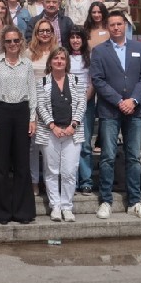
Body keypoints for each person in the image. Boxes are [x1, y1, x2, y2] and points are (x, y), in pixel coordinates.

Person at [90, 10, 141, 220]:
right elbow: (98, 80)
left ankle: (134, 201)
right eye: (112, 24)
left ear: (125, 25)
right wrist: (119, 101)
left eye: (119, 24)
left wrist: (133, 100)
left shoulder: (138, 48)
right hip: (110, 110)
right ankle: (106, 201)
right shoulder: (99, 51)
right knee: (107, 157)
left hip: (134, 111)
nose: (116, 27)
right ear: (107, 27)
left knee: (133, 157)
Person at [0, 25, 37, 224]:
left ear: (21, 42)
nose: (12, 44)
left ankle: (23, 212)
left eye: (16, 40)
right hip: (2, 111)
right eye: (8, 41)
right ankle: (1, 212)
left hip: (22, 112)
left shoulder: (27, 64)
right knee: (1, 162)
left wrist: (32, 118)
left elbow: (32, 91)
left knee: (22, 162)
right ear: (3, 43)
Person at [35, 47, 86, 222]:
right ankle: (55, 206)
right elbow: (40, 106)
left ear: (67, 62)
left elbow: (82, 104)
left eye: (62, 58)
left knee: (69, 171)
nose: (59, 61)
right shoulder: (42, 82)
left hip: (72, 132)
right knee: (51, 170)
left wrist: (74, 124)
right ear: (50, 62)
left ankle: (67, 206)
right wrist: (52, 126)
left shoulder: (77, 80)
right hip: (50, 132)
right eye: (55, 58)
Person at [24, 18, 57, 195]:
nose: (44, 34)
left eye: (47, 31)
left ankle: (49, 182)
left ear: (52, 33)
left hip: (52, 103)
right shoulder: (28, 52)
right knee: (33, 147)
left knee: (50, 147)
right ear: (36, 33)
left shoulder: (57, 51)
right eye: (41, 31)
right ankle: (34, 182)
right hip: (33, 103)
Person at [65, 26, 95, 195]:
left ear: (83, 40)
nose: (75, 40)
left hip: (86, 103)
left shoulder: (90, 57)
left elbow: (92, 81)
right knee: (70, 143)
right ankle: (72, 181)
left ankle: (86, 181)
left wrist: (84, 100)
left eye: (78, 37)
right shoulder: (64, 56)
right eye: (72, 37)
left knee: (84, 144)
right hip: (68, 104)